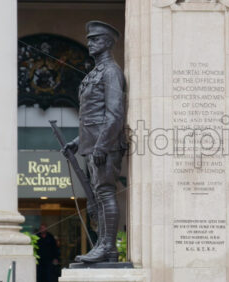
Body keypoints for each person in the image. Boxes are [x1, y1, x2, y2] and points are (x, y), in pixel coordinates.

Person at [64, 21, 127, 263]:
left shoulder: (111, 71)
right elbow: (93, 118)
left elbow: (114, 114)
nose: (90, 43)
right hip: (94, 145)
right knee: (99, 195)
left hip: (105, 146)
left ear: (109, 43)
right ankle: (106, 248)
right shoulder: (95, 73)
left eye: (96, 39)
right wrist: (77, 142)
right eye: (90, 39)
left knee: (105, 193)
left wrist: (102, 145)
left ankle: (107, 245)